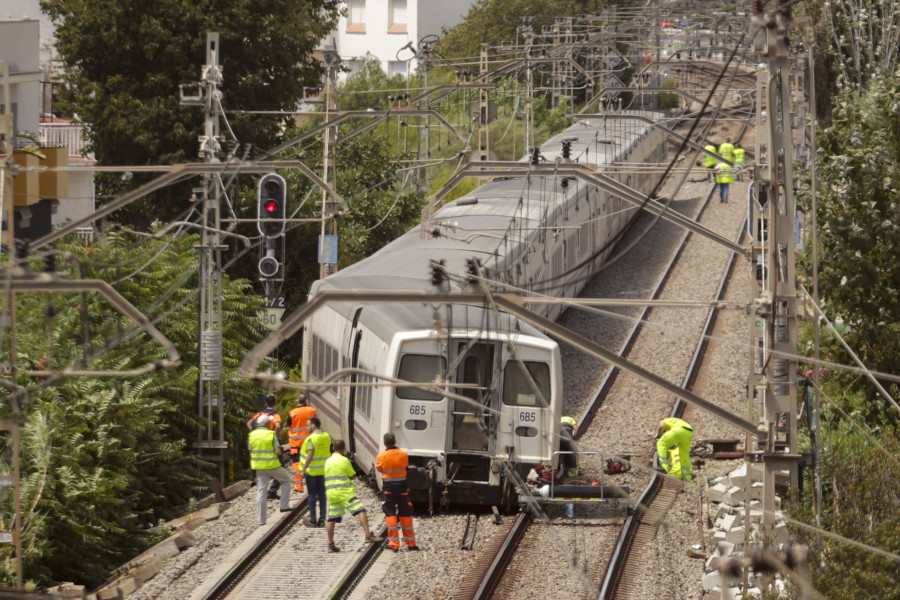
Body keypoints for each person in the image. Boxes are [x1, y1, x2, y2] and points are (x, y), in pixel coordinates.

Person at [322, 439, 384, 552]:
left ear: (333, 448)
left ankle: (330, 544)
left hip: (332, 494)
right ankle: (368, 535)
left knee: (331, 519)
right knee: (361, 510)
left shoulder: (328, 461)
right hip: (344, 492)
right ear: (343, 449)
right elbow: (352, 475)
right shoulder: (344, 460)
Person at [375, 433, 419, 552]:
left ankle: (394, 545)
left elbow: (379, 468)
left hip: (389, 489)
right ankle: (411, 544)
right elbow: (405, 467)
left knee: (390, 513)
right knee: (405, 513)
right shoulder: (403, 454)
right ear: (395, 441)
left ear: (385, 443)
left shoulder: (381, 456)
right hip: (402, 489)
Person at [248, 414, 292, 525]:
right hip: (272, 465)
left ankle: (261, 520)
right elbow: (278, 451)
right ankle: (284, 505)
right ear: (267, 424)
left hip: (258, 467)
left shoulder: (251, 435)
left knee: (261, 491)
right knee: (286, 480)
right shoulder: (271, 434)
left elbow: (250, 451)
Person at [247, 395, 284, 498]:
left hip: (258, 440)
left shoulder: (259, 414)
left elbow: (249, 423)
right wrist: (275, 435)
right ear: (275, 404)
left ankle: (259, 483)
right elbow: (278, 426)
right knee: (280, 466)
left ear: (265, 404)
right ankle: (272, 491)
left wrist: (255, 432)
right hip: (271, 440)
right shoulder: (275, 416)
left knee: (259, 462)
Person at [302, 417, 331, 528]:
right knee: (322, 495)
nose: (307, 427)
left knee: (312, 495)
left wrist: (304, 469)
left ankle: (313, 520)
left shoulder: (312, 439)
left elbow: (310, 455)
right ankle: (322, 519)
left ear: (313, 425)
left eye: (308, 425)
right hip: (323, 470)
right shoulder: (327, 436)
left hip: (312, 472)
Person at [286, 392, 316, 492]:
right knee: (309, 462)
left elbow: (287, 425)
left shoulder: (292, 413)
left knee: (297, 464)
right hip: (308, 441)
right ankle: (312, 487)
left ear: (297, 402)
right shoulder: (312, 410)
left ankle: (298, 486)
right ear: (305, 401)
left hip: (295, 444)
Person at [656, 417, 694, 482]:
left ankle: (664, 468)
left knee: (661, 444)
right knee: (684, 454)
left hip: (678, 430)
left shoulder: (663, 421)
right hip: (689, 432)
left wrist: (658, 435)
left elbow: (662, 426)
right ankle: (688, 478)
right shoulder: (675, 421)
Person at [559, 416, 580, 518]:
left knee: (558, 454)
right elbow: (576, 429)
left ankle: (558, 472)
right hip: (567, 437)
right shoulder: (570, 419)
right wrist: (575, 438)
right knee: (571, 455)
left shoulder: (557, 418)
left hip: (557, 438)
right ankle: (573, 475)